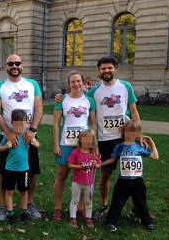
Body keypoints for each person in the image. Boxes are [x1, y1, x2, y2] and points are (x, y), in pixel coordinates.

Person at [55, 56, 141, 220]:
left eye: (110, 68)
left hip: (125, 138)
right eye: (103, 68)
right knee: (106, 175)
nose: (107, 71)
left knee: (132, 174)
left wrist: (138, 135)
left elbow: (134, 111)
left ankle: (137, 210)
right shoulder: (94, 92)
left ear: (116, 69)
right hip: (103, 139)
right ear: (99, 71)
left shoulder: (126, 87)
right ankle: (104, 206)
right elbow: (77, 97)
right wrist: (60, 97)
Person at [0, 54, 44, 221]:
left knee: (32, 172)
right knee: (3, 172)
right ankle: (3, 206)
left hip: (28, 137)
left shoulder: (32, 84)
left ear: (22, 65)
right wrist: (8, 133)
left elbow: (39, 108)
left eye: (17, 63)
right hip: (7, 136)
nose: (14, 66)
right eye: (11, 63)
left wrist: (33, 130)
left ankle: (28, 203)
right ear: (6, 66)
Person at [53, 71, 96, 222]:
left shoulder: (89, 100)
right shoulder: (62, 100)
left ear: (83, 83)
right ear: (69, 84)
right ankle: (58, 208)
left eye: (79, 81)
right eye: (73, 82)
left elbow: (93, 124)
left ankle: (80, 208)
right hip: (66, 143)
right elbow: (56, 124)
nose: (76, 84)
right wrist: (56, 144)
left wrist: (93, 146)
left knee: (84, 177)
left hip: (85, 145)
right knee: (62, 175)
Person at [102, 120, 159, 232]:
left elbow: (155, 156)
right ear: (124, 132)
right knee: (117, 202)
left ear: (138, 134)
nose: (131, 134)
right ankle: (111, 222)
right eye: (128, 131)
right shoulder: (119, 146)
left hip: (137, 181)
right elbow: (113, 159)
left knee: (141, 203)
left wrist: (152, 142)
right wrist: (100, 164)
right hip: (122, 181)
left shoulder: (140, 147)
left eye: (134, 132)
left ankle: (147, 222)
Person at [0, 109, 40, 225]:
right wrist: (6, 146)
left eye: (21, 124)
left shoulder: (27, 135)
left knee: (24, 191)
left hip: (24, 169)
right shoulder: (9, 136)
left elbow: (38, 144)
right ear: (11, 123)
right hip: (10, 169)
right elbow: (0, 148)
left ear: (26, 123)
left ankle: (24, 211)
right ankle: (10, 212)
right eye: (16, 125)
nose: (19, 127)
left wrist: (34, 142)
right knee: (10, 191)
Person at [67, 129, 101, 228]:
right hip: (77, 182)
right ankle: (73, 218)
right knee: (75, 200)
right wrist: (80, 167)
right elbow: (69, 165)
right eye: (84, 138)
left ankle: (88, 218)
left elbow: (99, 165)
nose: (87, 141)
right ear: (80, 140)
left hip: (89, 182)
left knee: (88, 201)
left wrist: (96, 164)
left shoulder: (94, 153)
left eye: (89, 139)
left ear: (93, 141)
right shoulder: (76, 152)